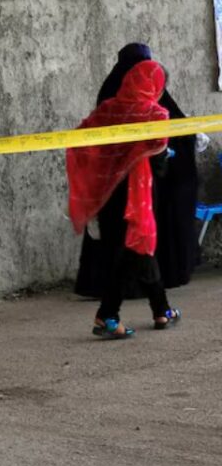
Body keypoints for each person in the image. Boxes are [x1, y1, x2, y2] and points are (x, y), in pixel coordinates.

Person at [75, 43, 201, 299]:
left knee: (122, 237)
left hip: (111, 179)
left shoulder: (111, 95)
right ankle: (150, 303)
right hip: (140, 183)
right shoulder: (151, 103)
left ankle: (123, 302)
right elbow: (167, 141)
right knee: (140, 236)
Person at [67, 60, 182, 339]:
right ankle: (108, 315)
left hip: (107, 193)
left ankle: (161, 310)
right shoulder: (156, 114)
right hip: (137, 195)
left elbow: (82, 138)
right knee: (134, 250)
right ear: (156, 87)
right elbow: (159, 165)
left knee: (135, 250)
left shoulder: (107, 109)